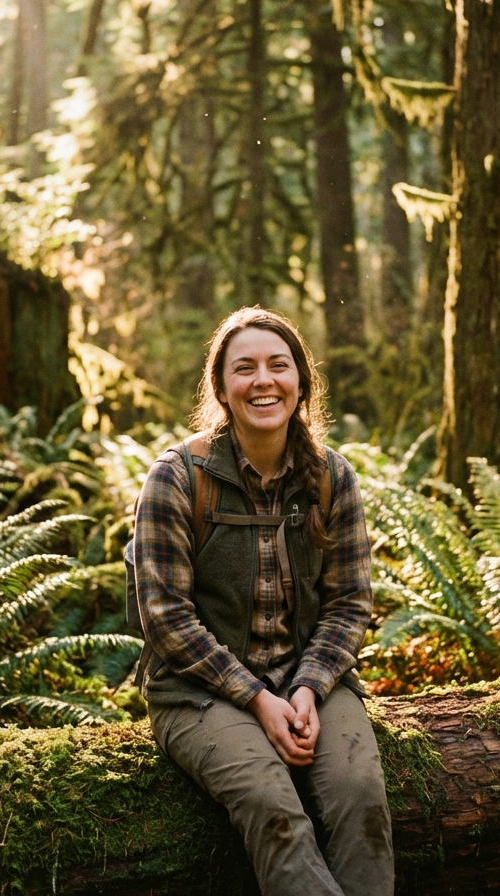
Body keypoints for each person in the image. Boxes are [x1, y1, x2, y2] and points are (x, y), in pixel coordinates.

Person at [134, 307, 394, 896]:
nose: (263, 381)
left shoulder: (331, 478)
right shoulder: (177, 478)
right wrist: (257, 699)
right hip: (197, 692)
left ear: (301, 382)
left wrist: (307, 688)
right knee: (272, 807)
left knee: (361, 798)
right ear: (221, 386)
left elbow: (349, 603)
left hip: (310, 681)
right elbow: (166, 618)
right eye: (244, 368)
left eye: (278, 365)